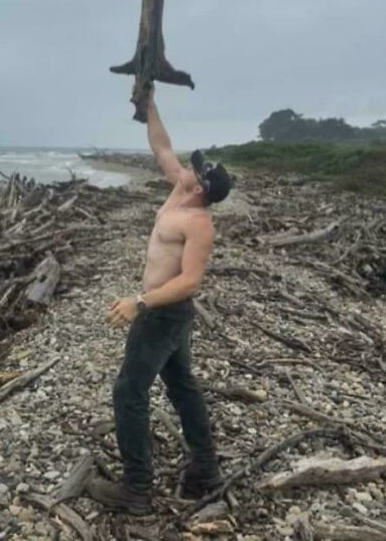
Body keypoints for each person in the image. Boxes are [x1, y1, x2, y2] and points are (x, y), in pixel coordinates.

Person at [86, 87, 232, 515]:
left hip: (163, 314)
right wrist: (148, 104)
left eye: (198, 168)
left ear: (202, 187)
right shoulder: (178, 191)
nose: (190, 165)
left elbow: (189, 281)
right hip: (166, 315)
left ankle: (136, 490)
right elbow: (161, 145)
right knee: (183, 386)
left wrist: (140, 302)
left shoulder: (198, 222)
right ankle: (205, 470)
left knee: (128, 392)